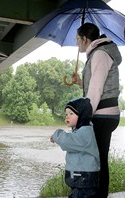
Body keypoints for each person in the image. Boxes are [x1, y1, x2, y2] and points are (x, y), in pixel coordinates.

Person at [72, 22, 122, 198]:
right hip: (106, 113)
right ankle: (97, 193)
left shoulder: (100, 54)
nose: (77, 42)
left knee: (98, 159)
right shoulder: (98, 53)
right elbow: (96, 84)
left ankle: (99, 194)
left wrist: (84, 116)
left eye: (78, 39)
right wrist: (80, 82)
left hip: (102, 114)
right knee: (98, 157)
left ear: (85, 39)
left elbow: (96, 89)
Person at [50, 97, 100, 198]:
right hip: (82, 179)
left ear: (82, 115)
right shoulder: (81, 132)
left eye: (71, 114)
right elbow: (70, 140)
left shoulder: (85, 133)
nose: (67, 117)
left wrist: (56, 134)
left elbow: (66, 141)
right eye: (66, 114)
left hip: (83, 179)